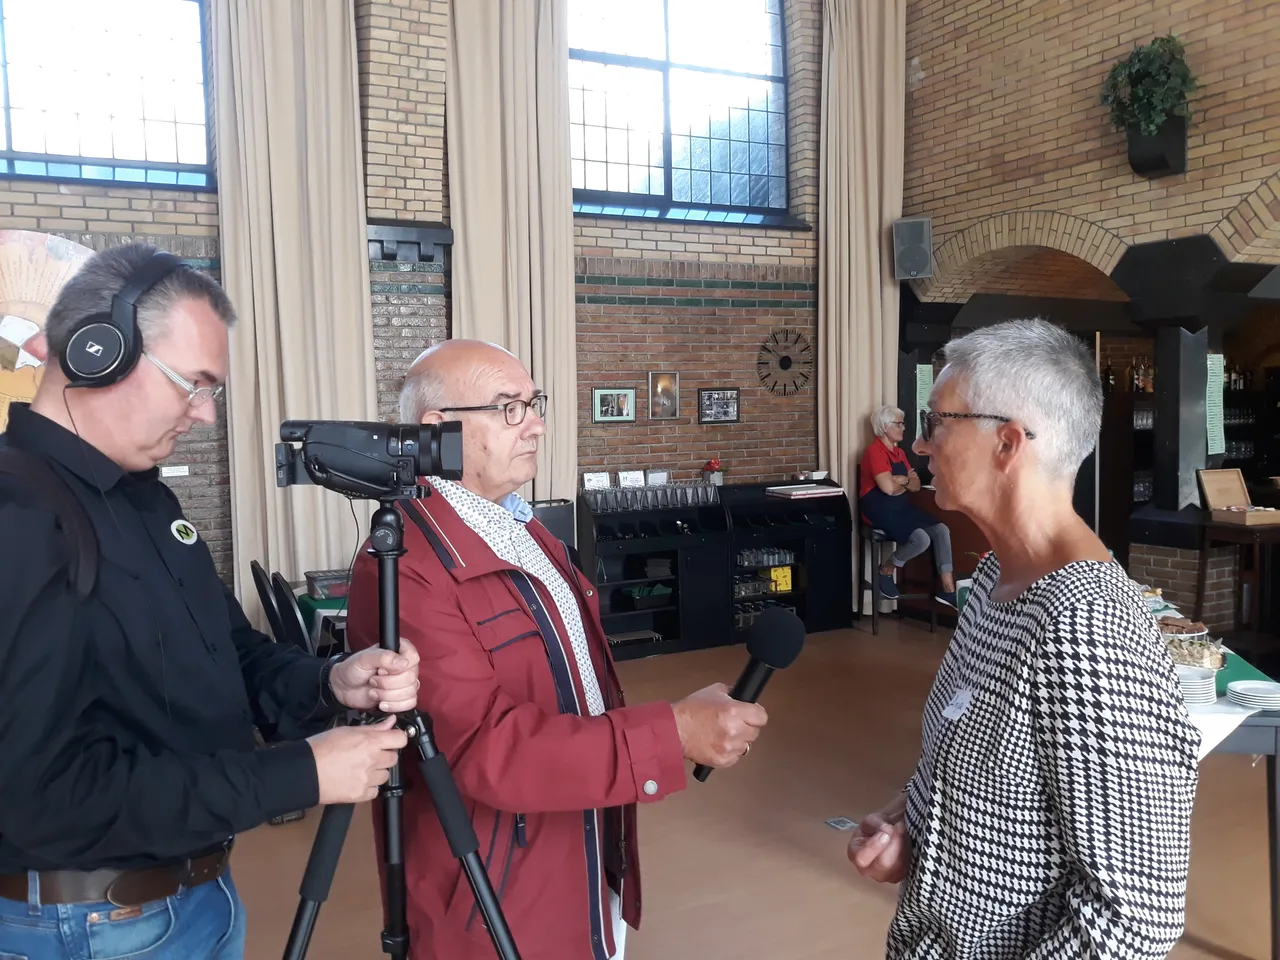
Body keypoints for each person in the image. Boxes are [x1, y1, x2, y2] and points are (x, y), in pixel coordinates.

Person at [0, 243, 421, 960]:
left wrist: (329, 681)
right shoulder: (19, 516)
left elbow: (231, 651)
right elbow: (41, 794)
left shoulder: (146, 497)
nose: (202, 414)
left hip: (194, 898)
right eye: (191, 384)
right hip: (88, 929)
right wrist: (299, 773)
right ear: (97, 351)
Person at [345, 339, 769, 960]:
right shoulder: (405, 567)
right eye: (509, 407)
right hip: (495, 894)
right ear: (438, 429)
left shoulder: (525, 529)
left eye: (533, 403)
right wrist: (669, 735)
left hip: (582, 847)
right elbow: (485, 751)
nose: (537, 423)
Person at [848, 319, 1200, 959]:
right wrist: (914, 826)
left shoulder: (1087, 629)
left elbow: (1134, 923)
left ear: (1007, 442)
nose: (922, 447)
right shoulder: (989, 584)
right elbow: (984, 771)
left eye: (937, 424)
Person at [858, 404, 957, 607]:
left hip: (900, 506)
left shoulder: (900, 453)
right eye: (899, 424)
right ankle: (885, 570)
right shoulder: (874, 452)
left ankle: (948, 589)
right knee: (920, 539)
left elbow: (915, 485)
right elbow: (887, 489)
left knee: (941, 530)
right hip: (878, 508)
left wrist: (899, 480)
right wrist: (902, 481)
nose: (904, 428)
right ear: (885, 427)